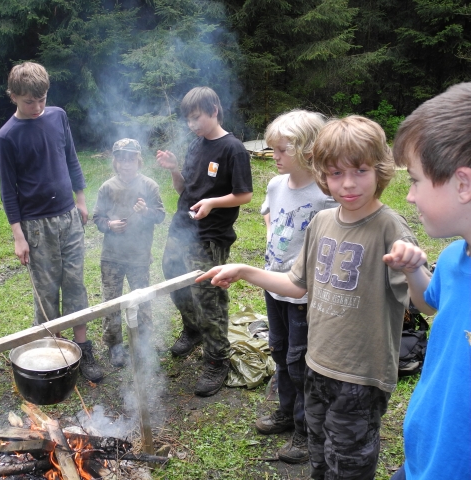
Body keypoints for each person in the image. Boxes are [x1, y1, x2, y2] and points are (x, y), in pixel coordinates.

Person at [197, 116, 430, 479]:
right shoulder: (322, 221)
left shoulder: (390, 228)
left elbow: (428, 303)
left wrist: (414, 268)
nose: (348, 183)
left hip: (361, 378)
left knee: (349, 463)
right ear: (323, 174)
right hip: (316, 365)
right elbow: (296, 284)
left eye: (360, 171)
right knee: (319, 456)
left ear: (381, 169)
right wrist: (244, 270)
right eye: (336, 174)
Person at [0, 61, 103, 382]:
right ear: (13, 96)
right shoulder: (7, 136)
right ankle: (52, 355)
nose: (38, 107)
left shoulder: (57, 117)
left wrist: (80, 199)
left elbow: (71, 157)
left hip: (69, 217)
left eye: (42, 99)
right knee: (45, 291)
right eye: (30, 101)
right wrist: (18, 234)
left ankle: (83, 348)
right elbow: (7, 190)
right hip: (36, 225)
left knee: (75, 282)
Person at [385, 82, 471, 480]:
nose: (410, 197)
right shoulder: (455, 257)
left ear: (463, 184)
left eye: (415, 180)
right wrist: (413, 272)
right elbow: (429, 307)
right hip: (424, 456)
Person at [156, 86, 253, 397]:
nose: (191, 124)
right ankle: (193, 329)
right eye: (188, 119)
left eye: (196, 117)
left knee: (207, 295)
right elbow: (185, 188)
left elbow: (244, 194)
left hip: (211, 236)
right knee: (173, 278)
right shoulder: (196, 145)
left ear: (213, 110)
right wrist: (173, 170)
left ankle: (217, 359)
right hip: (181, 227)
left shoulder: (233, 148)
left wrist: (212, 203)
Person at [256, 110, 338, 464]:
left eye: (281, 150)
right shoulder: (276, 184)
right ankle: (286, 413)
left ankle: (306, 433)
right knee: (278, 352)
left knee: (300, 361)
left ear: (307, 150)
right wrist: (271, 234)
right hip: (274, 286)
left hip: (304, 293)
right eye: (272, 149)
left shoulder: (324, 194)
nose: (274, 157)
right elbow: (268, 212)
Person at [93, 138, 165, 367]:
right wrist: (109, 225)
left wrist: (145, 211)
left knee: (142, 301)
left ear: (138, 160)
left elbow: (160, 216)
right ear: (115, 161)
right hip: (112, 257)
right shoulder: (108, 187)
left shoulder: (150, 186)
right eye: (122, 159)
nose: (126, 164)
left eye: (131, 158)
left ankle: (143, 344)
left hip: (139, 256)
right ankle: (114, 346)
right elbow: (97, 218)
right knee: (112, 302)